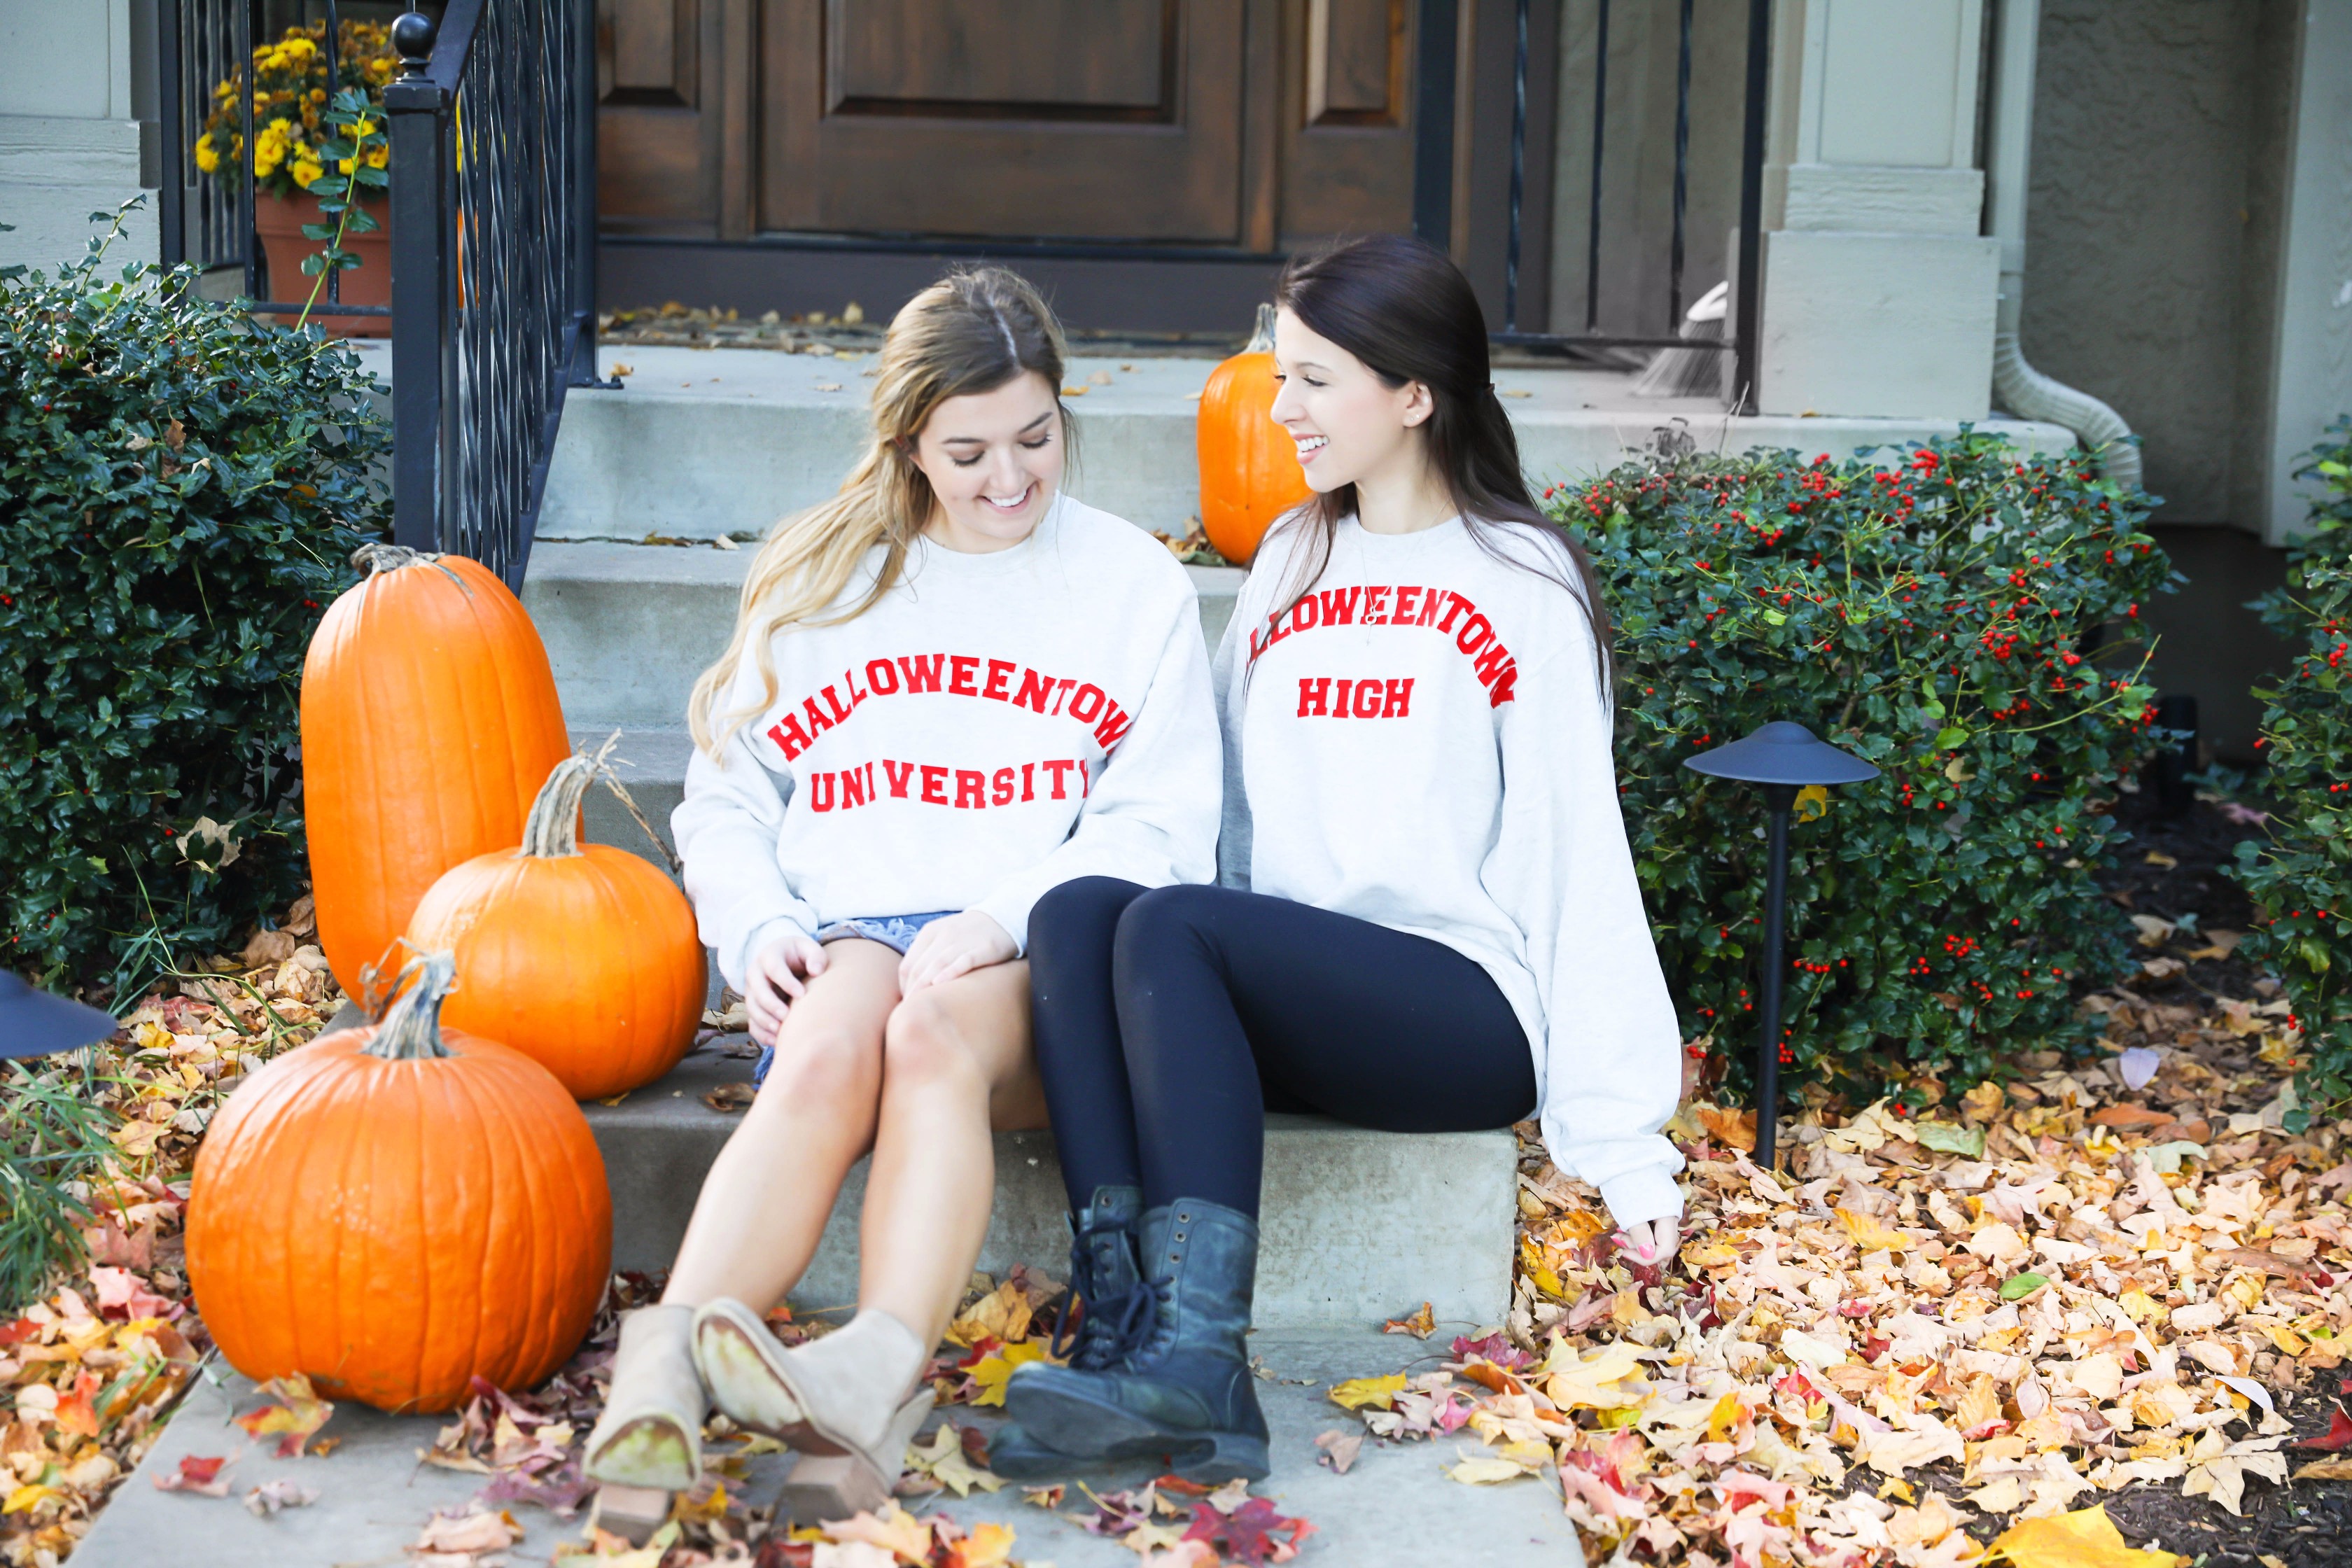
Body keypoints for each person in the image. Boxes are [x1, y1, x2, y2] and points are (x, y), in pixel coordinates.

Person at [997, 234, 1686, 1483]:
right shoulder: (1290, 562)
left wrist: (1621, 1133)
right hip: (1297, 994)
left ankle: (1202, 1364)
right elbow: (1225, 817)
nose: (1284, 407)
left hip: (1459, 1011)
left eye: (1316, 378)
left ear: (1414, 393)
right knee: (1082, 909)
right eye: (1281, 375)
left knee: (1168, 926)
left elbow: (1572, 854)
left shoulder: (1522, 580)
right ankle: (1126, 1339)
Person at [582, 267, 1221, 1513]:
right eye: (968, 450)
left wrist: (1007, 916)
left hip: (1045, 946)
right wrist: (755, 925)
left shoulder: (1129, 583)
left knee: (924, 1031)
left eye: (1036, 438)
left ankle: (875, 1368)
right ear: (909, 442)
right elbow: (726, 797)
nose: (1009, 479)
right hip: (857, 924)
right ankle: (659, 1373)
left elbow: (1165, 822)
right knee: (828, 1046)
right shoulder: (826, 579)